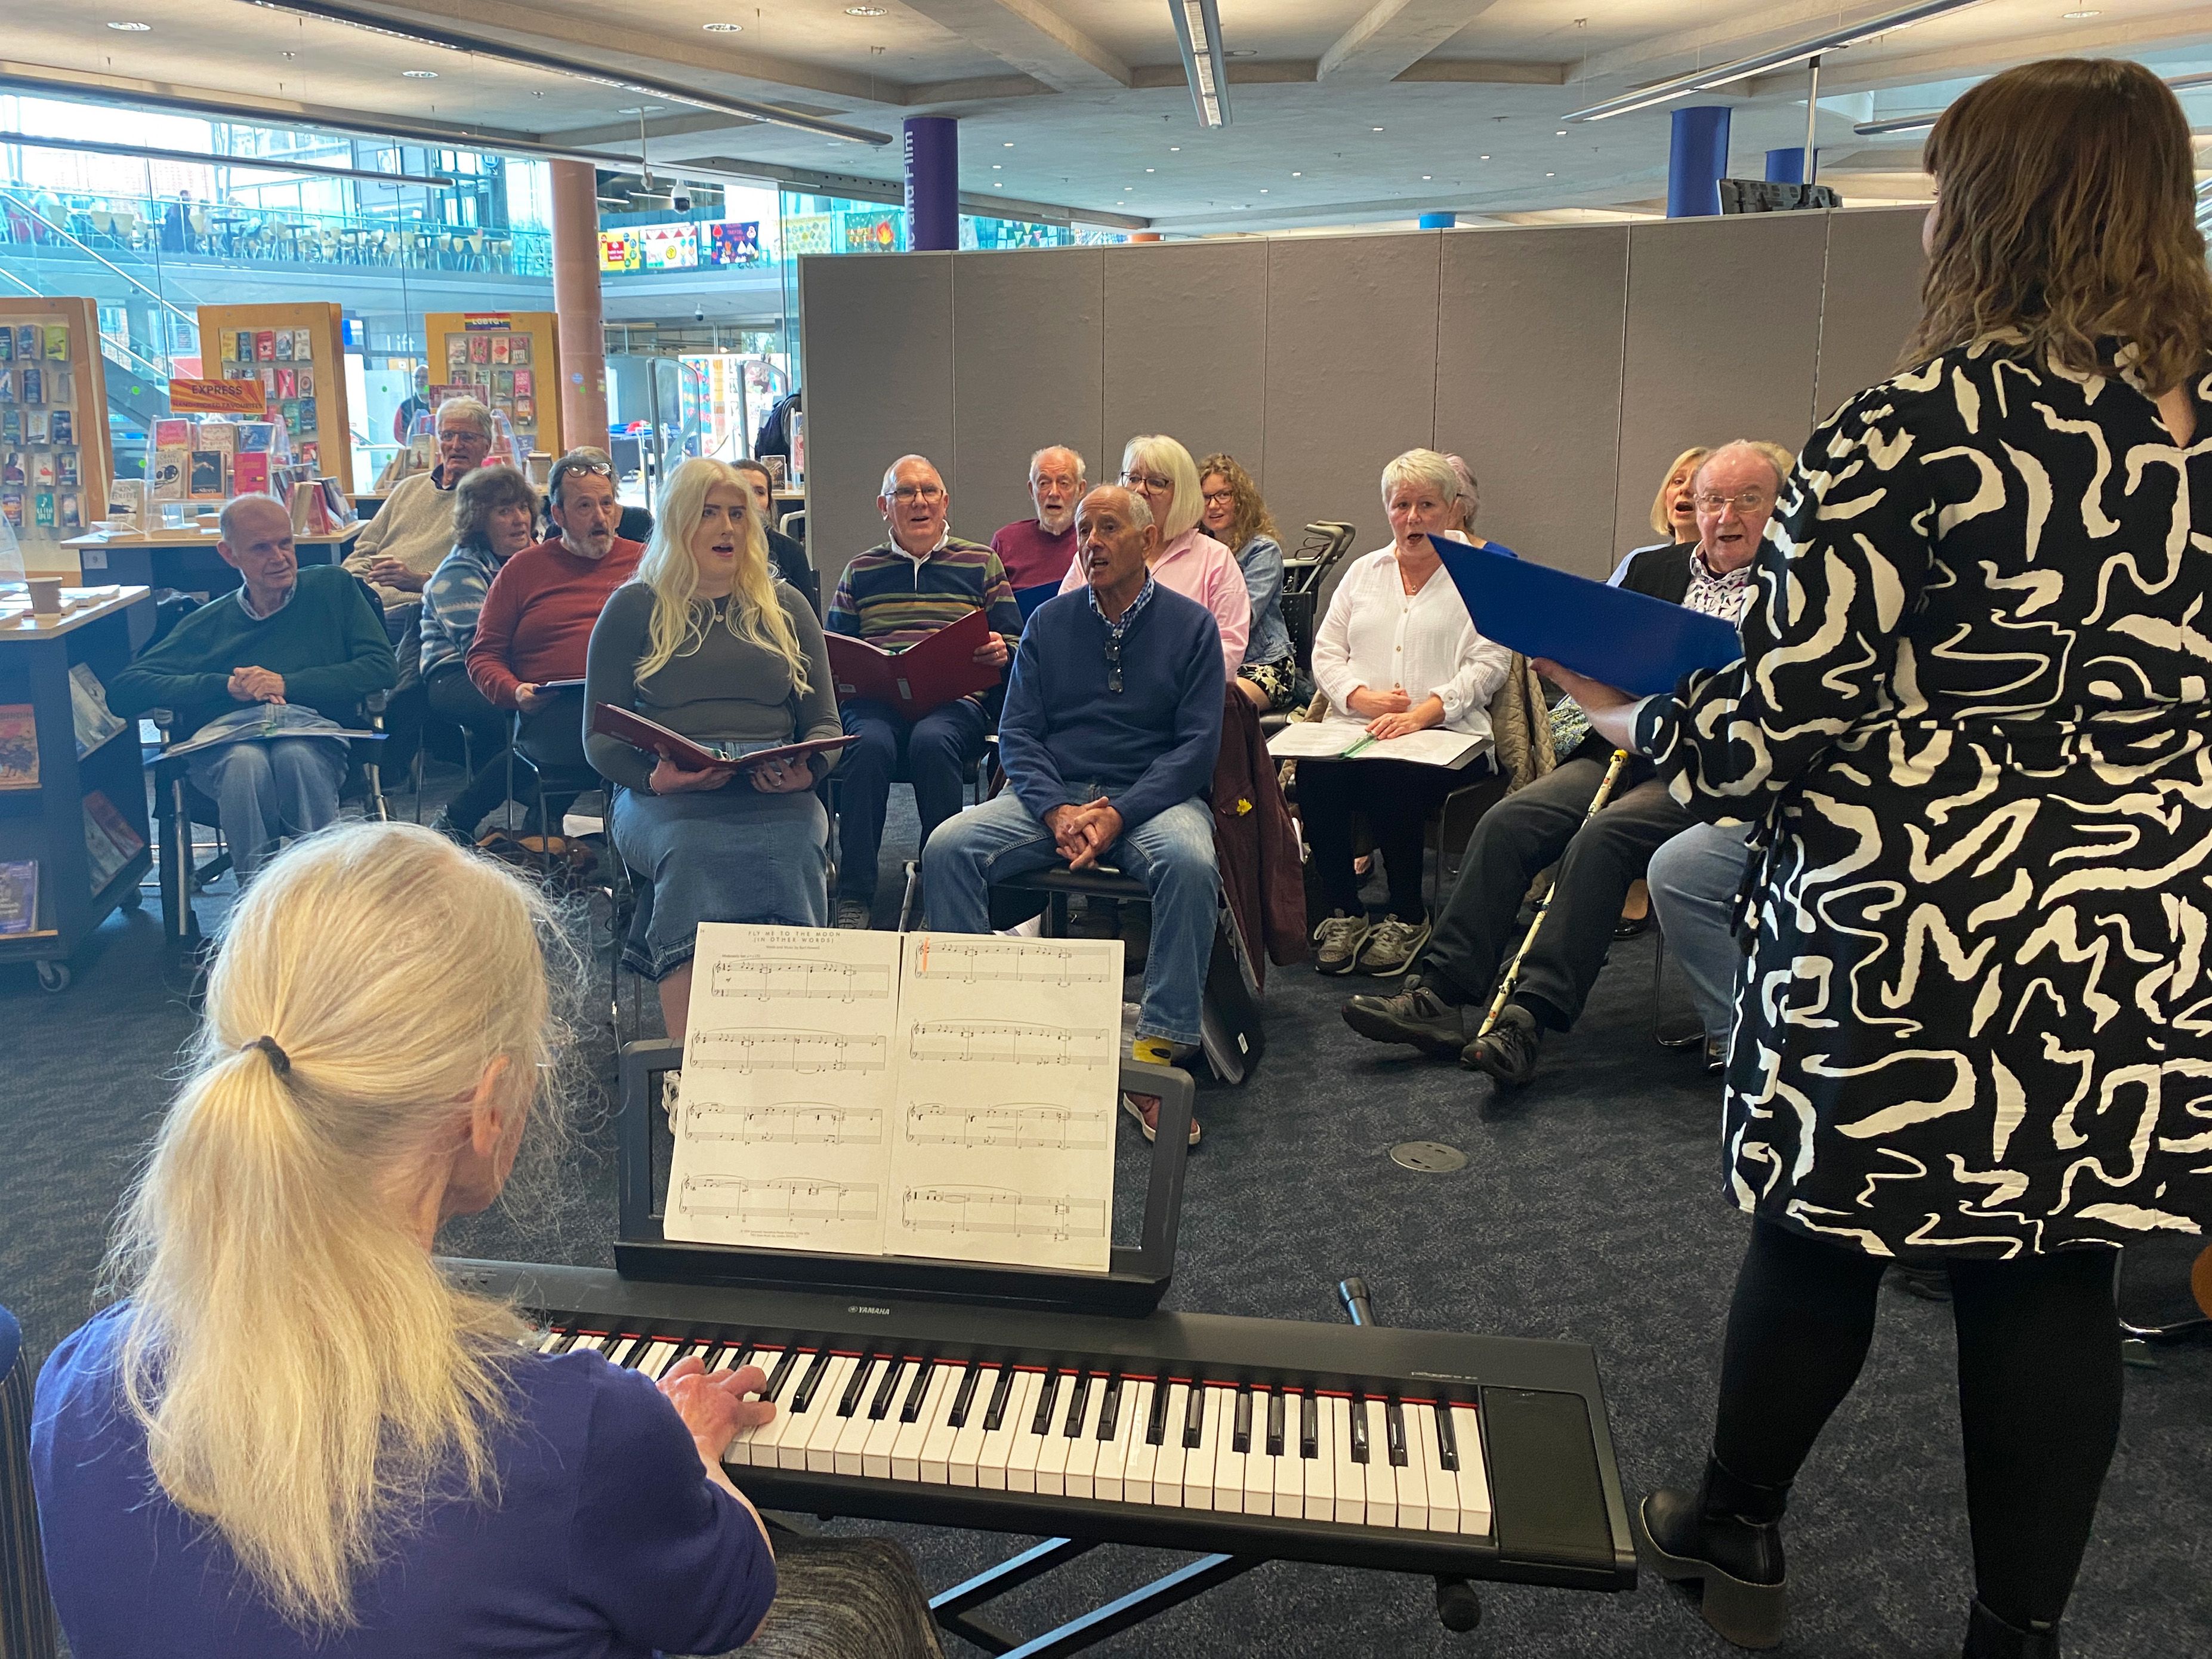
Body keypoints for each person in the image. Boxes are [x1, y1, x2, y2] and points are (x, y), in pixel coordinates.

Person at [1545, 60, 2212, 1659]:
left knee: (1819, 1225)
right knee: (2050, 1272)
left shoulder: (1910, 431)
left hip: (1911, 927)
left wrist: (1626, 708)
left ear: (1986, 209)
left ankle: (1735, 1518)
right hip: (2127, 931)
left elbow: (1773, 725)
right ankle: (2016, 1632)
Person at [31, 820, 944, 1657]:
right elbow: (726, 1604)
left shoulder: (72, 1380)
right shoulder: (573, 1433)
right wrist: (691, 1455)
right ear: (488, 1102)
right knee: (861, 1593)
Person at [1339, 440, 1776, 1079]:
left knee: (1606, 836)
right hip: (1616, 744)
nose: (1723, 515)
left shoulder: (1793, 590)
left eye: (1747, 500)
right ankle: (1439, 993)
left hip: (1703, 764)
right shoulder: (1654, 568)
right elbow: (1584, 642)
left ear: (1777, 509)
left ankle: (1526, 1018)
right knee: (1510, 820)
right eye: (1712, 500)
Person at [923, 485, 1224, 1145]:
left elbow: (1196, 750)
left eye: (1108, 528)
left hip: (1150, 797)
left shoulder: (1192, 626)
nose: (1091, 542)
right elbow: (1019, 733)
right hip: (1051, 795)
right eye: (1085, 529)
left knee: (1191, 861)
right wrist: (1057, 808)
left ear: (1146, 540)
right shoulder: (1050, 623)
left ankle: (1154, 1060)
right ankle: (974, 1040)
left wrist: (1119, 813)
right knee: (948, 845)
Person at [585, 458, 842, 1038]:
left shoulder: (786, 607)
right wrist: (654, 779)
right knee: (689, 851)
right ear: (678, 522)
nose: (727, 527)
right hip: (661, 793)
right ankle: (690, 1057)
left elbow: (824, 722)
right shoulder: (632, 608)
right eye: (708, 514)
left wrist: (810, 769)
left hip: (770, 787)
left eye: (736, 514)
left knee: (796, 849)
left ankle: (789, 1040)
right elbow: (598, 738)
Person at [107, 496, 396, 881]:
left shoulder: (333, 588)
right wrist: (223, 686)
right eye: (261, 548)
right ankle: (256, 902)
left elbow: (382, 668)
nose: (279, 557)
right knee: (246, 764)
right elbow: (124, 691)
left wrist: (286, 683)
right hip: (229, 741)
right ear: (230, 555)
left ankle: (321, 895)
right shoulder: (209, 622)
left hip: (312, 733)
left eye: (285, 543)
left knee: (296, 756)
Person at [1303, 449, 1513, 976]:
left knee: (1388, 774)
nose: (1412, 518)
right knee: (1314, 776)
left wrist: (1424, 713)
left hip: (1449, 733)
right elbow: (1325, 652)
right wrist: (1357, 697)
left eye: (1426, 505)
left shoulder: (1480, 576)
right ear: (1387, 510)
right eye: (1401, 505)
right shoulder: (1362, 572)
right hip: (1358, 725)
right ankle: (1344, 911)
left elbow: (1491, 663)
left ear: (1452, 509)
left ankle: (1406, 914)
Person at [825, 454, 1022, 929]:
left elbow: (1017, 642)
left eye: (929, 491)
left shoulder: (980, 562)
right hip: (876, 705)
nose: (919, 502)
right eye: (905, 493)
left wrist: (1002, 650)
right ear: (883, 506)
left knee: (933, 743)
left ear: (945, 501)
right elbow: (832, 651)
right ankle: (855, 893)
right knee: (866, 746)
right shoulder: (860, 570)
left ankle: (941, 888)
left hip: (952, 703)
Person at [468, 449, 643, 793]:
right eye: (584, 507)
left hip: (635, 703)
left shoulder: (646, 562)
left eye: (607, 504)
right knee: (602, 744)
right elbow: (483, 656)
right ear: (558, 515)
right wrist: (516, 692)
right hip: (557, 708)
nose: (600, 518)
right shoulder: (522, 569)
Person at [1054, 435, 1249, 675]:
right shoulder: (1096, 554)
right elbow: (1062, 628)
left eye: (1156, 482)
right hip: (1094, 691)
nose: (1140, 490)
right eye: (1133, 478)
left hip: (1180, 695)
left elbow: (1228, 649)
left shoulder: (1215, 559)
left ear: (1183, 493)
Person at [419, 464, 538, 844]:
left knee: (567, 719)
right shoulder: (458, 571)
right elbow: (481, 648)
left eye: (523, 508)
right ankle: (458, 818)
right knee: (544, 723)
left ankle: (540, 826)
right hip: (457, 676)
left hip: (522, 670)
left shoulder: (536, 561)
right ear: (479, 521)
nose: (520, 520)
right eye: (505, 511)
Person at [345, 397, 497, 608]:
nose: (456, 445)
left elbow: (487, 573)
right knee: (320, 580)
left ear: (486, 447)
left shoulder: (491, 499)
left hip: (419, 607)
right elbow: (364, 550)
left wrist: (418, 580)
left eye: (467, 437)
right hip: (368, 604)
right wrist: (353, 587)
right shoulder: (409, 487)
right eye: (448, 436)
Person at [1197, 453, 1298, 714]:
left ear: (1240, 500)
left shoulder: (1263, 551)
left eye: (1223, 495)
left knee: (1215, 706)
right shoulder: (1195, 552)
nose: (1213, 506)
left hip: (1264, 666)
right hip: (1211, 665)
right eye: (1206, 497)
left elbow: (1242, 618)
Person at [1606, 446, 1708, 585]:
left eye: (1698, 482)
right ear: (1665, 498)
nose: (1684, 489)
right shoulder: (1639, 561)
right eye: (1678, 481)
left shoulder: (1727, 566)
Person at [991, 445, 1085, 590]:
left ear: (1080, 490)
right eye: (1044, 483)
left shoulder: (1092, 541)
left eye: (1064, 483)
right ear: (1031, 490)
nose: (1054, 493)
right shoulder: (1005, 542)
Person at [733, 457, 807, 585]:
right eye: (742, 490)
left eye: (760, 492)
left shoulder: (791, 552)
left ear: (769, 503)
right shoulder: (710, 548)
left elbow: (806, 604)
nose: (751, 498)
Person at [390, 366, 433, 448]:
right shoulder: (405, 406)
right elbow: (398, 432)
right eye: (417, 377)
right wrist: (413, 445)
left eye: (424, 377)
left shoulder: (437, 404)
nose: (420, 381)